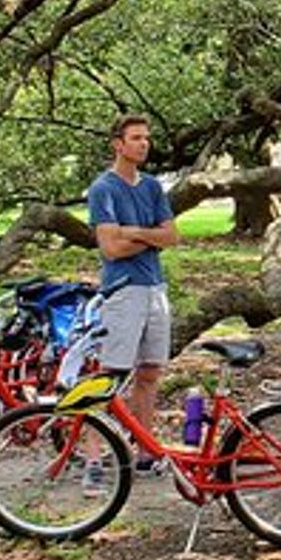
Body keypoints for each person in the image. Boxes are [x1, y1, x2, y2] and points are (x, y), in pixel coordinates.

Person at [88, 115, 180, 475]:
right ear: (118, 144)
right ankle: (93, 455)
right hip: (123, 290)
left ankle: (145, 450)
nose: (144, 144)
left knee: (150, 372)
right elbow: (110, 248)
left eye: (147, 138)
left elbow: (171, 236)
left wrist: (133, 232)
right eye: (136, 138)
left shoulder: (153, 187)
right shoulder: (103, 189)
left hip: (155, 288)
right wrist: (148, 236)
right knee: (110, 373)